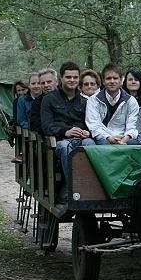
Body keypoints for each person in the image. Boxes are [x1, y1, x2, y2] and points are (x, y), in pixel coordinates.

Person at [40, 61, 94, 199]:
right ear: (61, 79)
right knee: (65, 147)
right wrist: (65, 131)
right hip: (59, 141)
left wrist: (88, 132)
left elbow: (92, 124)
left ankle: (92, 185)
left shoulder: (85, 101)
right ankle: (74, 187)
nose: (72, 80)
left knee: (91, 145)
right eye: (68, 77)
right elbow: (47, 126)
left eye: (75, 77)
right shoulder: (48, 100)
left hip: (82, 139)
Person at [86, 63, 140, 145]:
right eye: (108, 78)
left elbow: (133, 124)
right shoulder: (93, 100)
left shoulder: (131, 101)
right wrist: (109, 138)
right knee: (103, 144)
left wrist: (127, 137)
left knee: (134, 143)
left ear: (121, 80)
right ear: (103, 81)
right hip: (103, 137)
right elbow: (94, 125)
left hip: (124, 137)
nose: (112, 81)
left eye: (115, 78)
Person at [11, 76, 39, 163]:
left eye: (23, 90)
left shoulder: (39, 98)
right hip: (26, 127)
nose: (21, 92)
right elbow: (19, 119)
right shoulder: (18, 101)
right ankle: (22, 153)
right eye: (19, 91)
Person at [29, 68, 58, 134]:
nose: (46, 85)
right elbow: (34, 125)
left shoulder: (65, 97)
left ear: (56, 82)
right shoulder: (37, 102)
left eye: (49, 82)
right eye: (43, 83)